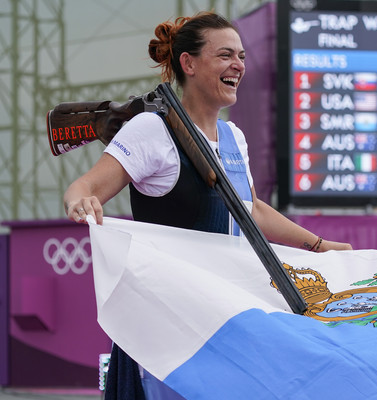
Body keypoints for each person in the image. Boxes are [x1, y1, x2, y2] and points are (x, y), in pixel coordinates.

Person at [63, 11, 352, 400]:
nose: (239, 65)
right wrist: (81, 201)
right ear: (189, 64)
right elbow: (85, 186)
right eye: (225, 55)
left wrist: (318, 245)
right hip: (170, 325)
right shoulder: (151, 129)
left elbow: (249, 209)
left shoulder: (234, 136)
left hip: (224, 313)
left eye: (243, 56)